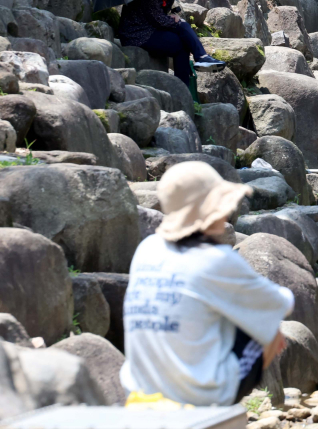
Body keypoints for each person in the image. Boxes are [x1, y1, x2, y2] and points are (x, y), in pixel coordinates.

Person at [120, 162, 291, 406]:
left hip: (139, 391)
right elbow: (281, 304)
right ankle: (218, 405)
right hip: (198, 396)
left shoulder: (147, 249)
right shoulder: (216, 259)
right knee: (269, 328)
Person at [116, 0, 226, 87]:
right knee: (181, 38)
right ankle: (187, 80)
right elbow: (158, 20)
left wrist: (171, 18)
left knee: (181, 33)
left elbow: (153, 16)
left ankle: (199, 60)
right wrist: (175, 20)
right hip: (137, 35)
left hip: (142, 31)